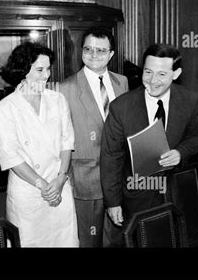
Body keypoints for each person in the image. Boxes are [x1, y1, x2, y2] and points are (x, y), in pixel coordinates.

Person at [100, 43, 198, 237]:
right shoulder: (120, 107)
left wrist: (181, 153)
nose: (153, 81)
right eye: (148, 72)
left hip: (178, 194)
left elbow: (197, 137)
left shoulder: (191, 100)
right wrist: (113, 202)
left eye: (162, 74)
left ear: (176, 73)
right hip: (136, 197)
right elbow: (110, 158)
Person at [0, 42, 79, 247]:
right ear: (23, 70)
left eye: (48, 69)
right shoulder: (3, 109)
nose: (46, 75)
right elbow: (11, 157)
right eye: (39, 69)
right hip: (29, 193)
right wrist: (45, 187)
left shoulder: (58, 99)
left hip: (59, 187)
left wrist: (59, 179)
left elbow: (67, 142)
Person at [60, 28, 128, 247]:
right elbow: (61, 139)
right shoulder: (65, 88)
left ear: (111, 54)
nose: (93, 55)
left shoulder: (122, 82)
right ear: (81, 51)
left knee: (116, 239)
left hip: (119, 179)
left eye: (101, 50)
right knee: (89, 241)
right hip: (86, 181)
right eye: (88, 49)